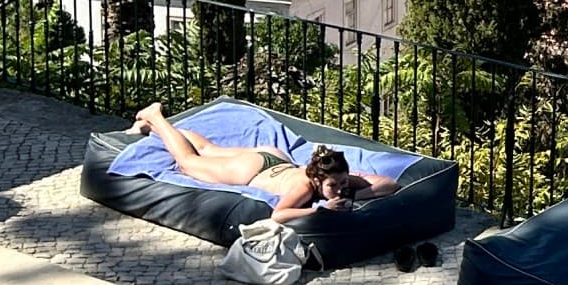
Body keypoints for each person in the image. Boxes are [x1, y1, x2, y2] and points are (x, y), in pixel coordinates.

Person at [131, 104, 389, 224]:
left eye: (342, 182)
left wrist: (353, 193)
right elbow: (279, 215)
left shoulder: (335, 177)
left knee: (210, 150)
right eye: (333, 185)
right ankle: (156, 116)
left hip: (273, 158)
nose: (339, 188)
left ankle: (151, 128)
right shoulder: (304, 188)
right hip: (251, 171)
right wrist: (322, 210)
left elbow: (389, 184)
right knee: (189, 162)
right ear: (316, 180)